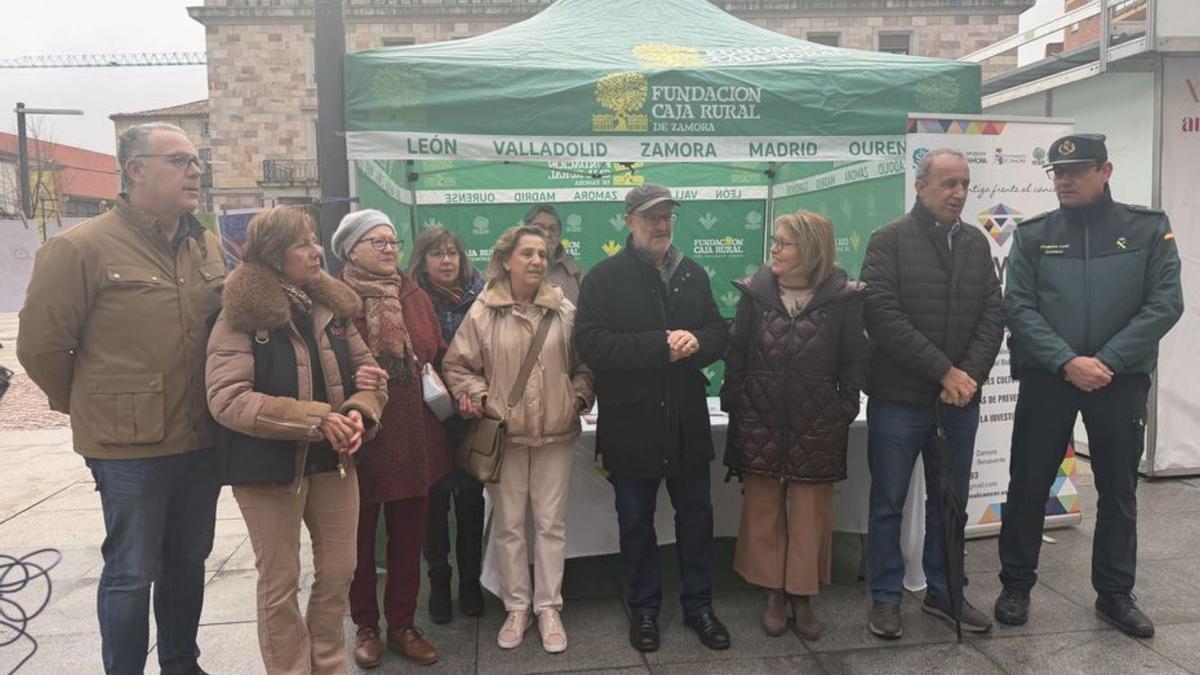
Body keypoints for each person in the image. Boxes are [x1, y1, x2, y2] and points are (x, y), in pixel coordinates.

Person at [18, 122, 225, 675]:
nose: (195, 170)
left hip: (200, 436)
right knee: (132, 571)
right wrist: (92, 404)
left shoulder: (205, 242)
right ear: (135, 170)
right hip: (128, 447)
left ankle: (182, 663)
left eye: (196, 160)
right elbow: (40, 348)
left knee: (188, 560)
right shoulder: (78, 248)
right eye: (180, 160)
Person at [995, 134, 1183, 637]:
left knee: (1119, 490)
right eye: (1057, 173)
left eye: (1076, 171)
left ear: (1105, 171)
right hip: (1049, 379)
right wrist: (1066, 362)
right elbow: (1018, 306)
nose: (1064, 180)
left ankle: (1115, 594)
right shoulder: (1035, 234)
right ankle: (1016, 585)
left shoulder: (1147, 229)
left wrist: (1107, 361)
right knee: (1029, 483)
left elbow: (1165, 304)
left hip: (1118, 381)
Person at [205, 205, 387, 674]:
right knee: (280, 581)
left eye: (314, 239)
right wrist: (315, 418)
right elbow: (227, 398)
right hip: (266, 469)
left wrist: (360, 411)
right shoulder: (240, 313)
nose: (315, 251)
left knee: (338, 571)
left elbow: (372, 380)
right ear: (272, 252)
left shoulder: (332, 306)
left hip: (334, 463)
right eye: (303, 243)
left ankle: (328, 665)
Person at [574, 184, 731, 653]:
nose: (661, 225)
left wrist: (697, 343)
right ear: (628, 221)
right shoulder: (603, 278)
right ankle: (643, 609)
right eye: (651, 217)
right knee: (636, 519)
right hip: (631, 422)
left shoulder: (693, 275)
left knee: (697, 517)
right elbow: (592, 344)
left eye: (667, 217)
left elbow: (719, 331)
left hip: (685, 419)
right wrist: (660, 344)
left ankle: (699, 605)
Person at [860, 148, 1004, 639]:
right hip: (900, 399)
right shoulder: (889, 241)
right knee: (888, 502)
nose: (959, 194)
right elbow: (882, 317)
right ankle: (885, 597)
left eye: (964, 184)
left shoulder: (977, 244)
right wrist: (944, 371)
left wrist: (969, 377)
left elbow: (993, 315)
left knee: (951, 502)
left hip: (957, 403)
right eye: (948, 184)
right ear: (920, 186)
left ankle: (944, 592)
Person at [442, 225, 594, 653]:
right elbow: (457, 367)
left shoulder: (564, 310)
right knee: (509, 526)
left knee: (551, 525)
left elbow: (586, 365)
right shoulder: (482, 311)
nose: (537, 262)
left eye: (543, 255)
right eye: (527, 253)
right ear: (506, 260)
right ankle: (516, 607)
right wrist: (478, 398)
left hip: (556, 435)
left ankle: (548, 607)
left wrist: (577, 396)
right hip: (505, 437)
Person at [722, 210, 868, 641]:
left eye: (783, 243)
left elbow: (854, 361)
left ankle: (801, 596)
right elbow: (737, 352)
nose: (775, 250)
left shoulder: (844, 299)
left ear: (811, 249)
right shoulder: (755, 294)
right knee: (764, 509)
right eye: (775, 242)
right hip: (760, 418)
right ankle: (772, 594)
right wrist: (736, 401)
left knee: (810, 514)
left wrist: (843, 408)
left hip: (817, 423)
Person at [331, 210, 453, 668]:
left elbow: (431, 349)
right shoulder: (334, 298)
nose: (388, 249)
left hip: (415, 433)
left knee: (408, 535)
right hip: (363, 433)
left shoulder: (412, 293)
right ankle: (365, 624)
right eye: (375, 241)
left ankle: (402, 624)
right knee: (358, 541)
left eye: (392, 241)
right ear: (351, 250)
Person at [409, 227, 487, 624]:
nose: (446, 261)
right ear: (422, 261)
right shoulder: (411, 300)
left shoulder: (483, 297)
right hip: (429, 416)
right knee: (434, 503)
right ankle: (439, 579)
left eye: (452, 252)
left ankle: (470, 581)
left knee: (472, 501)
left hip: (473, 414)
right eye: (437, 254)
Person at [525, 203, 583, 302]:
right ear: (526, 231)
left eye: (552, 229)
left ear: (559, 235)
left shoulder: (574, 272)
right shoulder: (513, 266)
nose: (547, 234)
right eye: (540, 227)